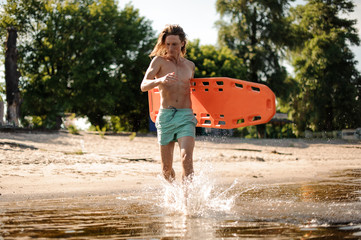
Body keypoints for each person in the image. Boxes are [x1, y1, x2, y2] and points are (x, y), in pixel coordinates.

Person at [140, 25, 197, 183]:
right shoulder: (158, 61)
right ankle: (172, 197)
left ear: (182, 43)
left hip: (186, 115)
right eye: (168, 44)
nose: (171, 48)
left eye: (175, 44)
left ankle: (185, 203)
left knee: (186, 159)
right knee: (166, 169)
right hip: (166, 116)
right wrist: (160, 80)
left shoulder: (190, 66)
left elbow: (195, 92)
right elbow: (143, 85)